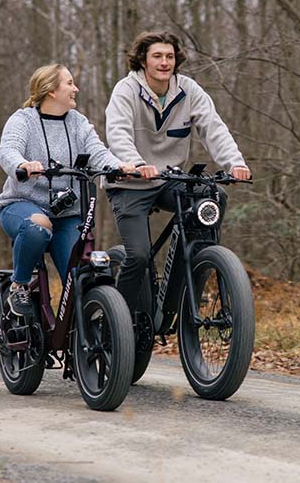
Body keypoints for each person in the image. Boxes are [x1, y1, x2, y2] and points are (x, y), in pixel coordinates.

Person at [104, 31, 251, 334]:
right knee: (140, 255)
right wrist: (137, 164)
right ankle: (115, 325)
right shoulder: (126, 90)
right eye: (157, 56)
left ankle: (194, 270)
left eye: (169, 56)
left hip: (167, 179)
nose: (164, 62)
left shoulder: (188, 90)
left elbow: (213, 127)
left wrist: (235, 163)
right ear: (143, 60)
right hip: (130, 182)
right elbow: (117, 134)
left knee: (212, 195)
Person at [0, 63, 133, 317]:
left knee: (80, 280)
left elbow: (97, 152)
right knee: (39, 227)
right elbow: (8, 150)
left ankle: (78, 338)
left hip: (67, 214)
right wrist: (23, 165)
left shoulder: (77, 122)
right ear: (50, 91)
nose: (75, 89)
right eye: (69, 83)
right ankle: (20, 285)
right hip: (22, 205)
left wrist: (119, 166)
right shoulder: (23, 120)